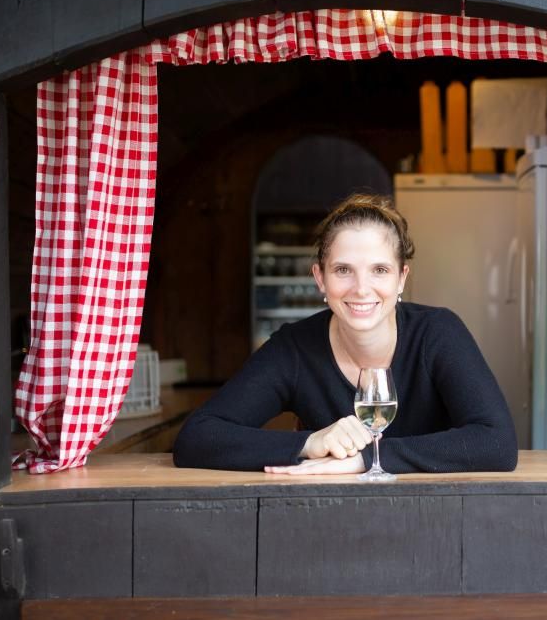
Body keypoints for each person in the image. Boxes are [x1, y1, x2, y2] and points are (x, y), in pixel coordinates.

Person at [172, 193, 518, 475]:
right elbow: (198, 437)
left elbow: (497, 443)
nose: (362, 289)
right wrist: (310, 443)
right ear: (320, 278)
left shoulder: (439, 333)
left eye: (380, 270)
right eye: (343, 270)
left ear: (401, 279)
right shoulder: (295, 348)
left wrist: (366, 460)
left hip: (442, 522)